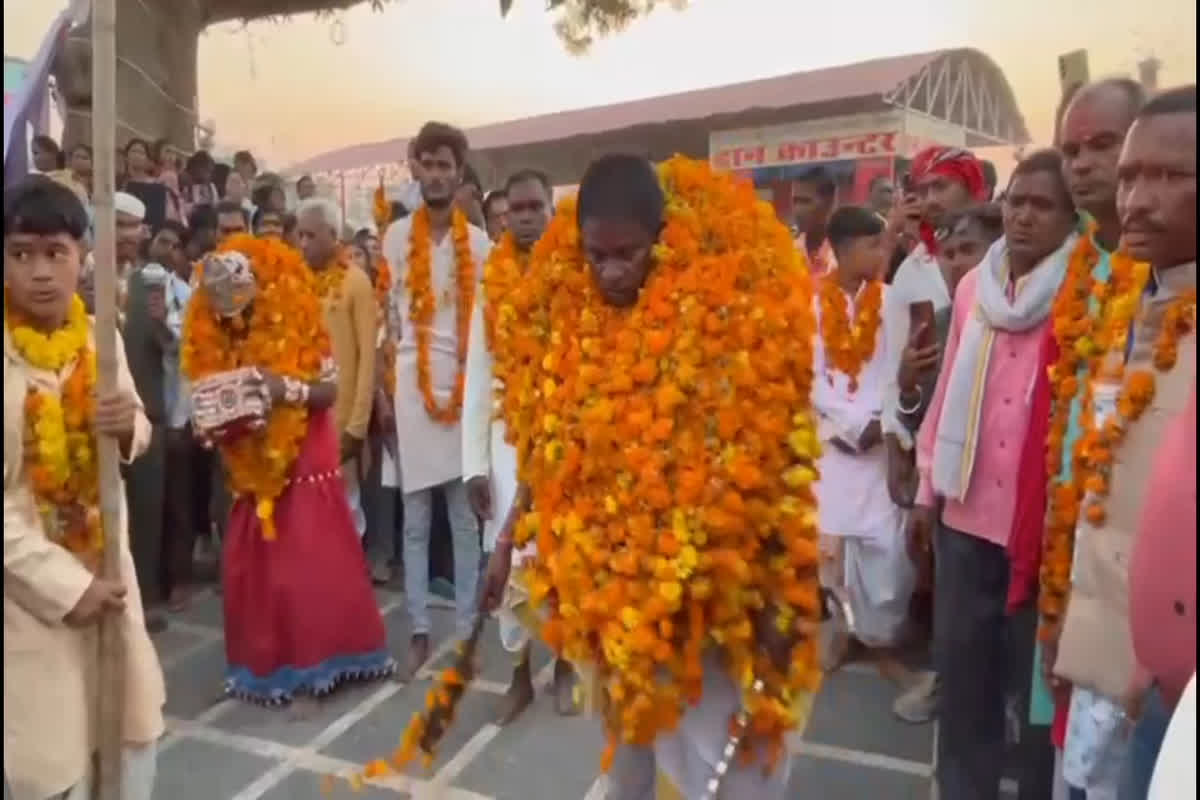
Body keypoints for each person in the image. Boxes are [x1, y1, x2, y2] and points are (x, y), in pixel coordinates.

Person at [476, 153, 822, 799]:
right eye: (595, 255)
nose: (609, 271)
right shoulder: (561, 322)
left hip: (709, 604)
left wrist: (782, 597)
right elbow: (542, 448)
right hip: (610, 599)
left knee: (722, 761)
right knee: (630, 750)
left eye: (626, 254)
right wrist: (504, 544)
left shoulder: (726, 321)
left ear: (661, 238)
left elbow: (774, 471)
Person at [911, 150, 1079, 800]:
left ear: (1070, 220)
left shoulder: (1084, 292)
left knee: (1036, 702)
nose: (1023, 216)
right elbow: (948, 385)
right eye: (1016, 202)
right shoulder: (973, 289)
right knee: (966, 687)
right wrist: (926, 495)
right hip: (965, 519)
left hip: (1038, 535)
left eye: (1042, 206)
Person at [1049, 85, 1196, 800]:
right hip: (1101, 654)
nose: (1137, 199)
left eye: (1171, 177)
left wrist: (1174, 659)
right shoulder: (1132, 303)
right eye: (1133, 174)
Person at [3, 175, 166, 800]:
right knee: (50, 770)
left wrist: (128, 428)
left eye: (55, 253)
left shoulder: (101, 338)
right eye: (21, 254)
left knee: (129, 744)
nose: (40, 272)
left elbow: (139, 427)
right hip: (28, 602)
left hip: (108, 573)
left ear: (82, 259)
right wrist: (69, 588)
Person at [181, 235, 395, 703]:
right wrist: (212, 423)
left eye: (241, 306)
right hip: (248, 461)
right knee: (260, 565)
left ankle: (327, 657)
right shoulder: (211, 332)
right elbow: (206, 395)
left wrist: (282, 391)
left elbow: (328, 391)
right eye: (224, 313)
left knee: (306, 561)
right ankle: (267, 662)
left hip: (305, 450)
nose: (234, 319)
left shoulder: (298, 318)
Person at [1014, 78, 1147, 799]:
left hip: (1143, 597)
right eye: (1073, 148)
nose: (1085, 163)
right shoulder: (1083, 275)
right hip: (1073, 561)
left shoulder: (1163, 279)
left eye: (1104, 145)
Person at [381, 121, 491, 680]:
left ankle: (468, 632)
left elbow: (486, 330)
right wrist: (387, 396)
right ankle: (420, 630)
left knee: (464, 519)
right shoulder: (396, 239)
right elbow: (391, 320)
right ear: (416, 169)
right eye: (429, 163)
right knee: (416, 520)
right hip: (411, 385)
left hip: (466, 386)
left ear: (460, 172)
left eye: (447, 165)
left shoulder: (481, 244)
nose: (438, 174)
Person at [883, 146, 989, 724]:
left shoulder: (1007, 262)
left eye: (942, 186)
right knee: (943, 572)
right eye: (922, 188)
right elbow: (899, 358)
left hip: (997, 459)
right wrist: (897, 431)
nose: (929, 199)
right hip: (930, 438)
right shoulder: (914, 267)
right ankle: (948, 679)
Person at [468, 169, 577, 724]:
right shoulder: (493, 278)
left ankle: (564, 665)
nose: (527, 216)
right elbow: (476, 373)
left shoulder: (575, 273)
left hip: (564, 440)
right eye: (517, 208)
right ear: (505, 214)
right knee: (511, 560)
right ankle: (518, 676)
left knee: (560, 557)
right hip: (507, 440)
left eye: (537, 206)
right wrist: (472, 466)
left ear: (552, 211)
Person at [811, 206, 915, 682]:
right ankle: (841, 632)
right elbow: (809, 380)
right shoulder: (808, 305)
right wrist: (849, 425)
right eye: (872, 245)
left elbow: (901, 369)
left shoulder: (893, 300)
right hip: (832, 445)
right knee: (832, 554)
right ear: (843, 249)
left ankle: (879, 640)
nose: (881, 253)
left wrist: (880, 422)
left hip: (880, 446)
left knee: (886, 553)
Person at [295, 198, 377, 543]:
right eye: (299, 235)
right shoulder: (295, 283)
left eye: (310, 235)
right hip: (300, 422)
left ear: (332, 235)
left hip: (341, 424)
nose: (302, 243)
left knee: (346, 516)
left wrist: (356, 428)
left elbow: (366, 360)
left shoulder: (356, 282)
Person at [121, 192, 172, 635]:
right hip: (100, 417)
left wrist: (161, 322)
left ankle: (148, 599)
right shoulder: (84, 277)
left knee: (148, 511)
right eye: (114, 225)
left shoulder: (153, 283)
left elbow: (176, 349)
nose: (123, 235)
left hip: (149, 414)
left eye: (129, 227)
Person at [793, 166, 839, 275]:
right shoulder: (789, 251)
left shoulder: (845, 255)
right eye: (795, 201)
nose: (798, 210)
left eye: (805, 201)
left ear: (829, 202)